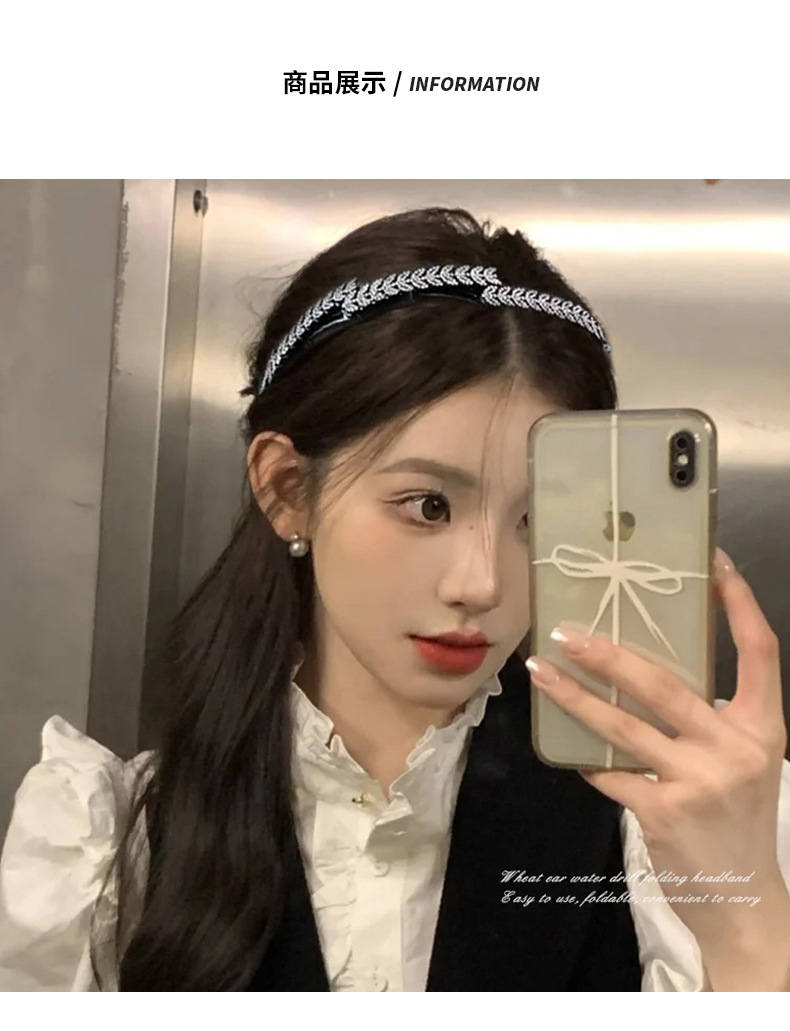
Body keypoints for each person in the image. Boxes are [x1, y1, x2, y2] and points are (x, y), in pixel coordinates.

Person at [1, 207, 789, 992]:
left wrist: (745, 917)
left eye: (538, 519)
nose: (482, 583)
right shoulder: (116, 845)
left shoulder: (664, 823)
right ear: (287, 489)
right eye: (428, 506)